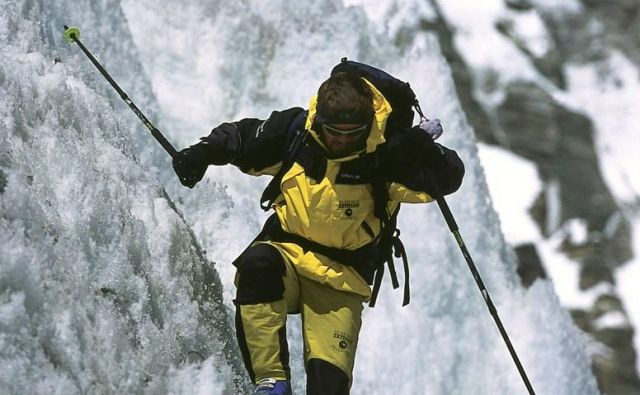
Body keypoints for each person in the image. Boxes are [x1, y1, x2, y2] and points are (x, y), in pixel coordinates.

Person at [172, 70, 464, 395]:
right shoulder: (298, 135)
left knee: (330, 386)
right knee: (257, 265)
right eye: (333, 130)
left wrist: (431, 155)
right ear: (319, 119)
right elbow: (241, 137)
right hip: (287, 256)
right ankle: (271, 385)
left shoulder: (386, 157)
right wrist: (202, 153)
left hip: (342, 282)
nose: (340, 139)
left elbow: (450, 177)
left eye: (352, 133)